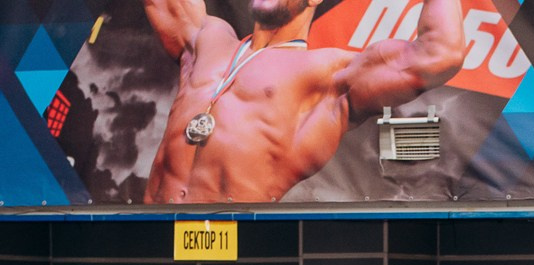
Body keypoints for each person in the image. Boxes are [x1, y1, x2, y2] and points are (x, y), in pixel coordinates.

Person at [142, 0, 465, 204]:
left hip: (236, 241)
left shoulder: (329, 78)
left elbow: (439, 53)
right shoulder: (205, 39)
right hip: (147, 235)